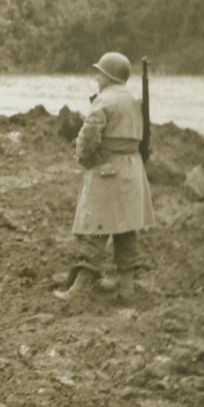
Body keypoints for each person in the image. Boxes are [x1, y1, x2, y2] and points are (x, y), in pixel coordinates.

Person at [56, 51, 155, 301]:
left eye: (99, 73)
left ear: (108, 76)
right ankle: (126, 287)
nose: (96, 78)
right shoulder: (134, 99)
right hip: (132, 168)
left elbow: (88, 136)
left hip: (107, 169)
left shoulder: (103, 100)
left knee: (95, 227)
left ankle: (81, 286)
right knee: (125, 227)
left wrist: (87, 159)